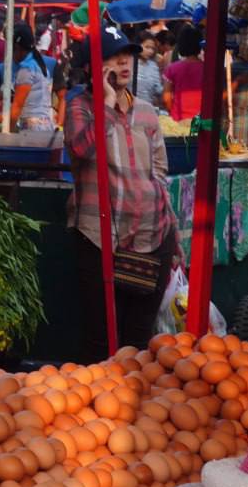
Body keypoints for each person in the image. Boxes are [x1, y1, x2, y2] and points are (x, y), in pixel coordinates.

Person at [66, 27, 176, 362]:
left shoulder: (146, 111)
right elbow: (81, 149)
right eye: (113, 57)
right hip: (98, 236)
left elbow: (160, 170)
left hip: (151, 234)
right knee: (101, 339)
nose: (123, 62)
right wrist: (106, 104)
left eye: (126, 55)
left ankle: (134, 407)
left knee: (138, 338)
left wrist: (171, 229)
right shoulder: (80, 107)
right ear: (92, 68)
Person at [0, 23, 54, 130]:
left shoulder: (27, 69)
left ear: (17, 48)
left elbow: (16, 109)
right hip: (45, 126)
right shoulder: (38, 63)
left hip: (33, 129)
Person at [163, 25, 204, 120]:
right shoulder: (209, 69)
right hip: (201, 121)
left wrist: (171, 111)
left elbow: (166, 98)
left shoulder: (172, 69)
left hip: (178, 120)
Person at [133, 31, 163, 108]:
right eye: (147, 47)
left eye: (152, 48)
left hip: (148, 108)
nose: (150, 51)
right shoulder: (129, 63)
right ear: (138, 45)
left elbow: (158, 89)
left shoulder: (153, 66)